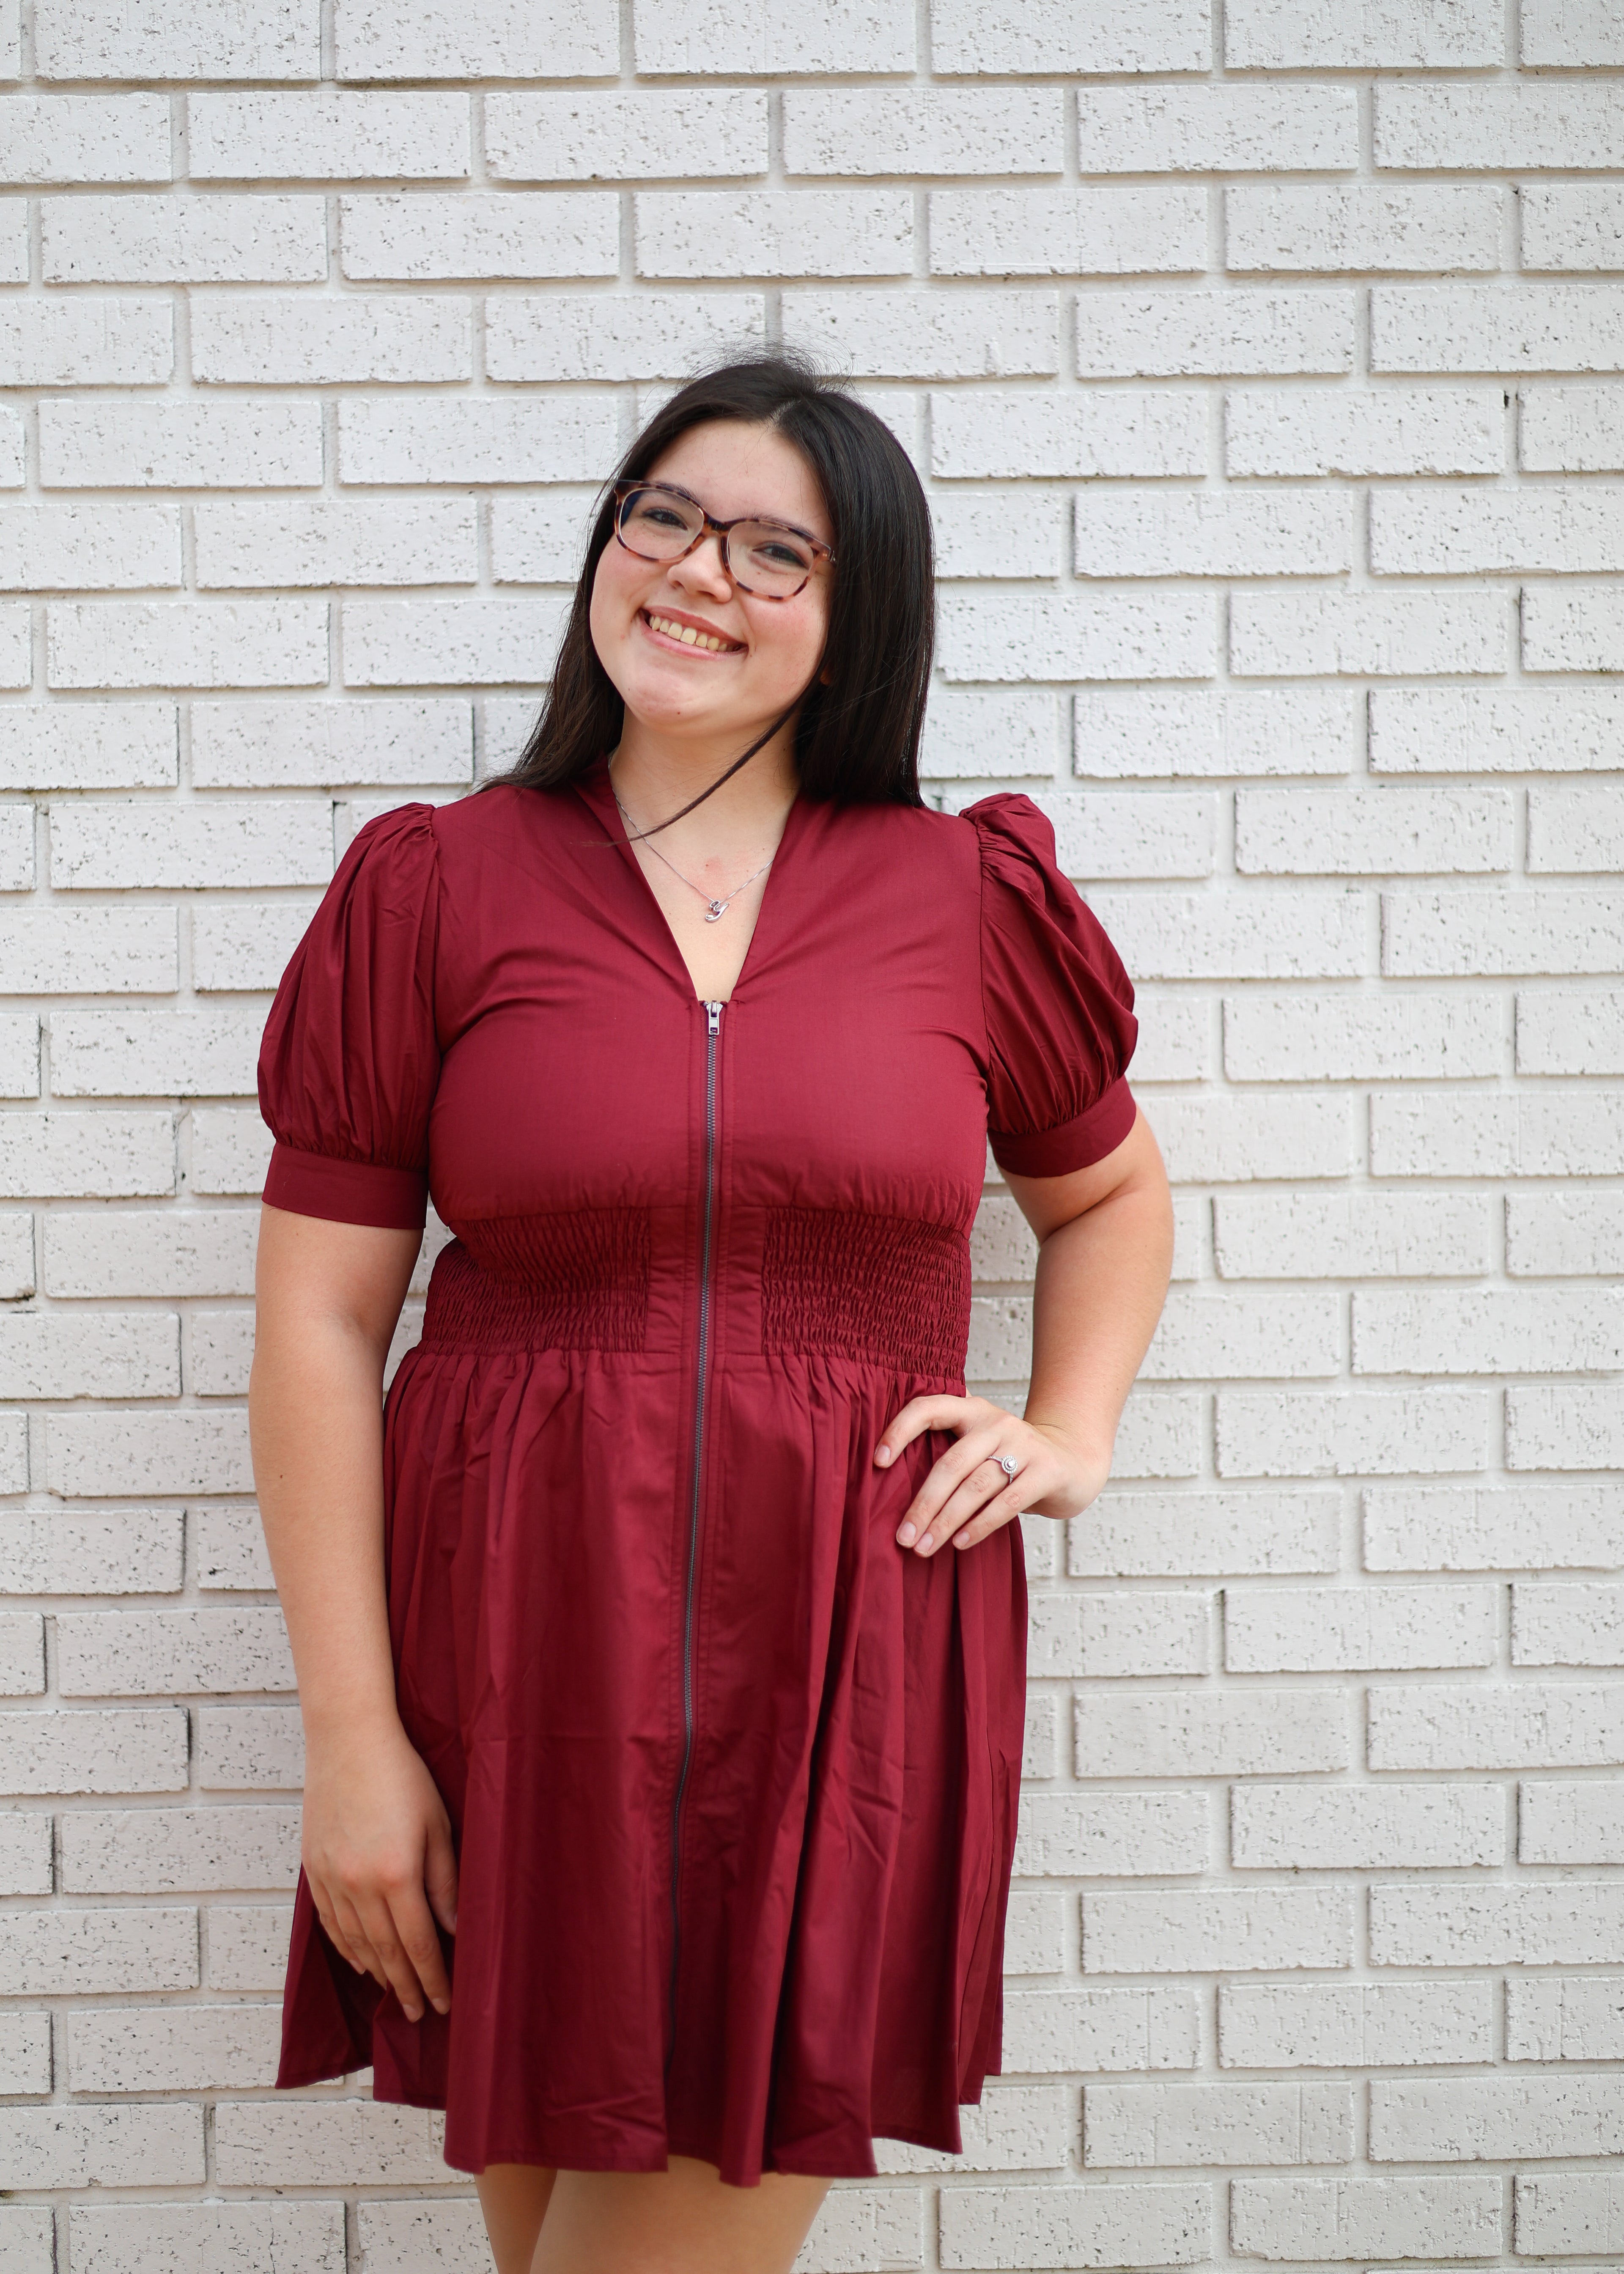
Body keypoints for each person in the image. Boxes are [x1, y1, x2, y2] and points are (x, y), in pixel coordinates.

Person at [248, 352, 1174, 2274]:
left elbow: (1104, 1196)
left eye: (779, 550)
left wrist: (1068, 1431)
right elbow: (321, 1325)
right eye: (663, 517)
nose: (698, 571)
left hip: (843, 1664)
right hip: (513, 1661)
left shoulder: (963, 896)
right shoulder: (436, 885)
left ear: (856, 624)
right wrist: (354, 1738)